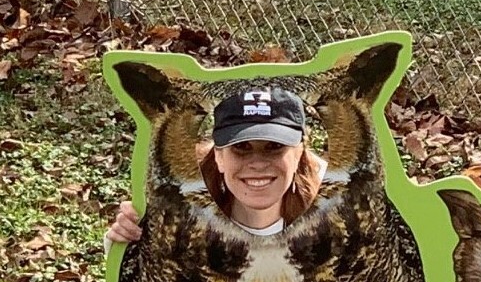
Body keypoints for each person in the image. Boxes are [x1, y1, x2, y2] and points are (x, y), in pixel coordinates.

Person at [105, 86, 324, 247]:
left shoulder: (333, 223)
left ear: (299, 154)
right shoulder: (178, 225)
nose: (257, 163)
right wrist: (126, 245)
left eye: (274, 146)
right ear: (219, 156)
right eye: (242, 146)